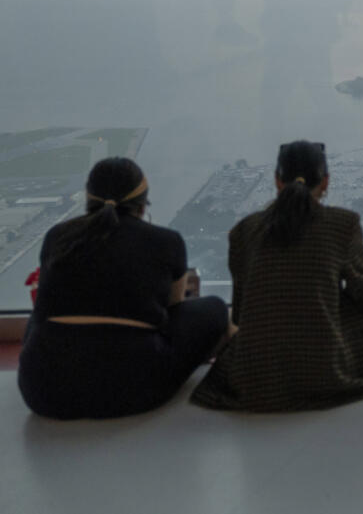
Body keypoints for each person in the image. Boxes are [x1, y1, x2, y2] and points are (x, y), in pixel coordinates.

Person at [191, 141, 363, 412]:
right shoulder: (343, 223)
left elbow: (240, 316)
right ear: (326, 181)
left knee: (231, 316)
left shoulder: (243, 230)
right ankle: (349, 358)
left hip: (255, 378)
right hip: (325, 372)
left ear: (277, 181)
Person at [18, 158, 230, 419]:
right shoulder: (166, 241)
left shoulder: (57, 236)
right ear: (142, 203)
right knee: (215, 308)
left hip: (44, 390)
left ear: (88, 198)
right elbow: (173, 310)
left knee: (40, 318)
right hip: (133, 389)